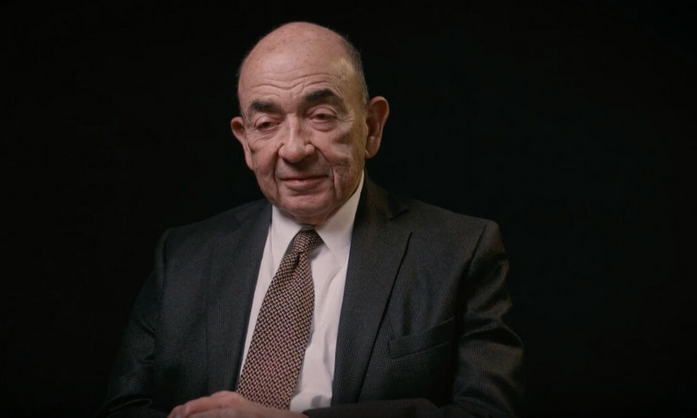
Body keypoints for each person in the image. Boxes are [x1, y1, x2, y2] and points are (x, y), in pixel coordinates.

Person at [97, 22, 524, 418]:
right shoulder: (182, 256)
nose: (294, 149)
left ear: (372, 127)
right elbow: (124, 407)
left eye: (320, 116)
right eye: (267, 123)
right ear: (245, 142)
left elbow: (486, 412)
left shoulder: (460, 251)